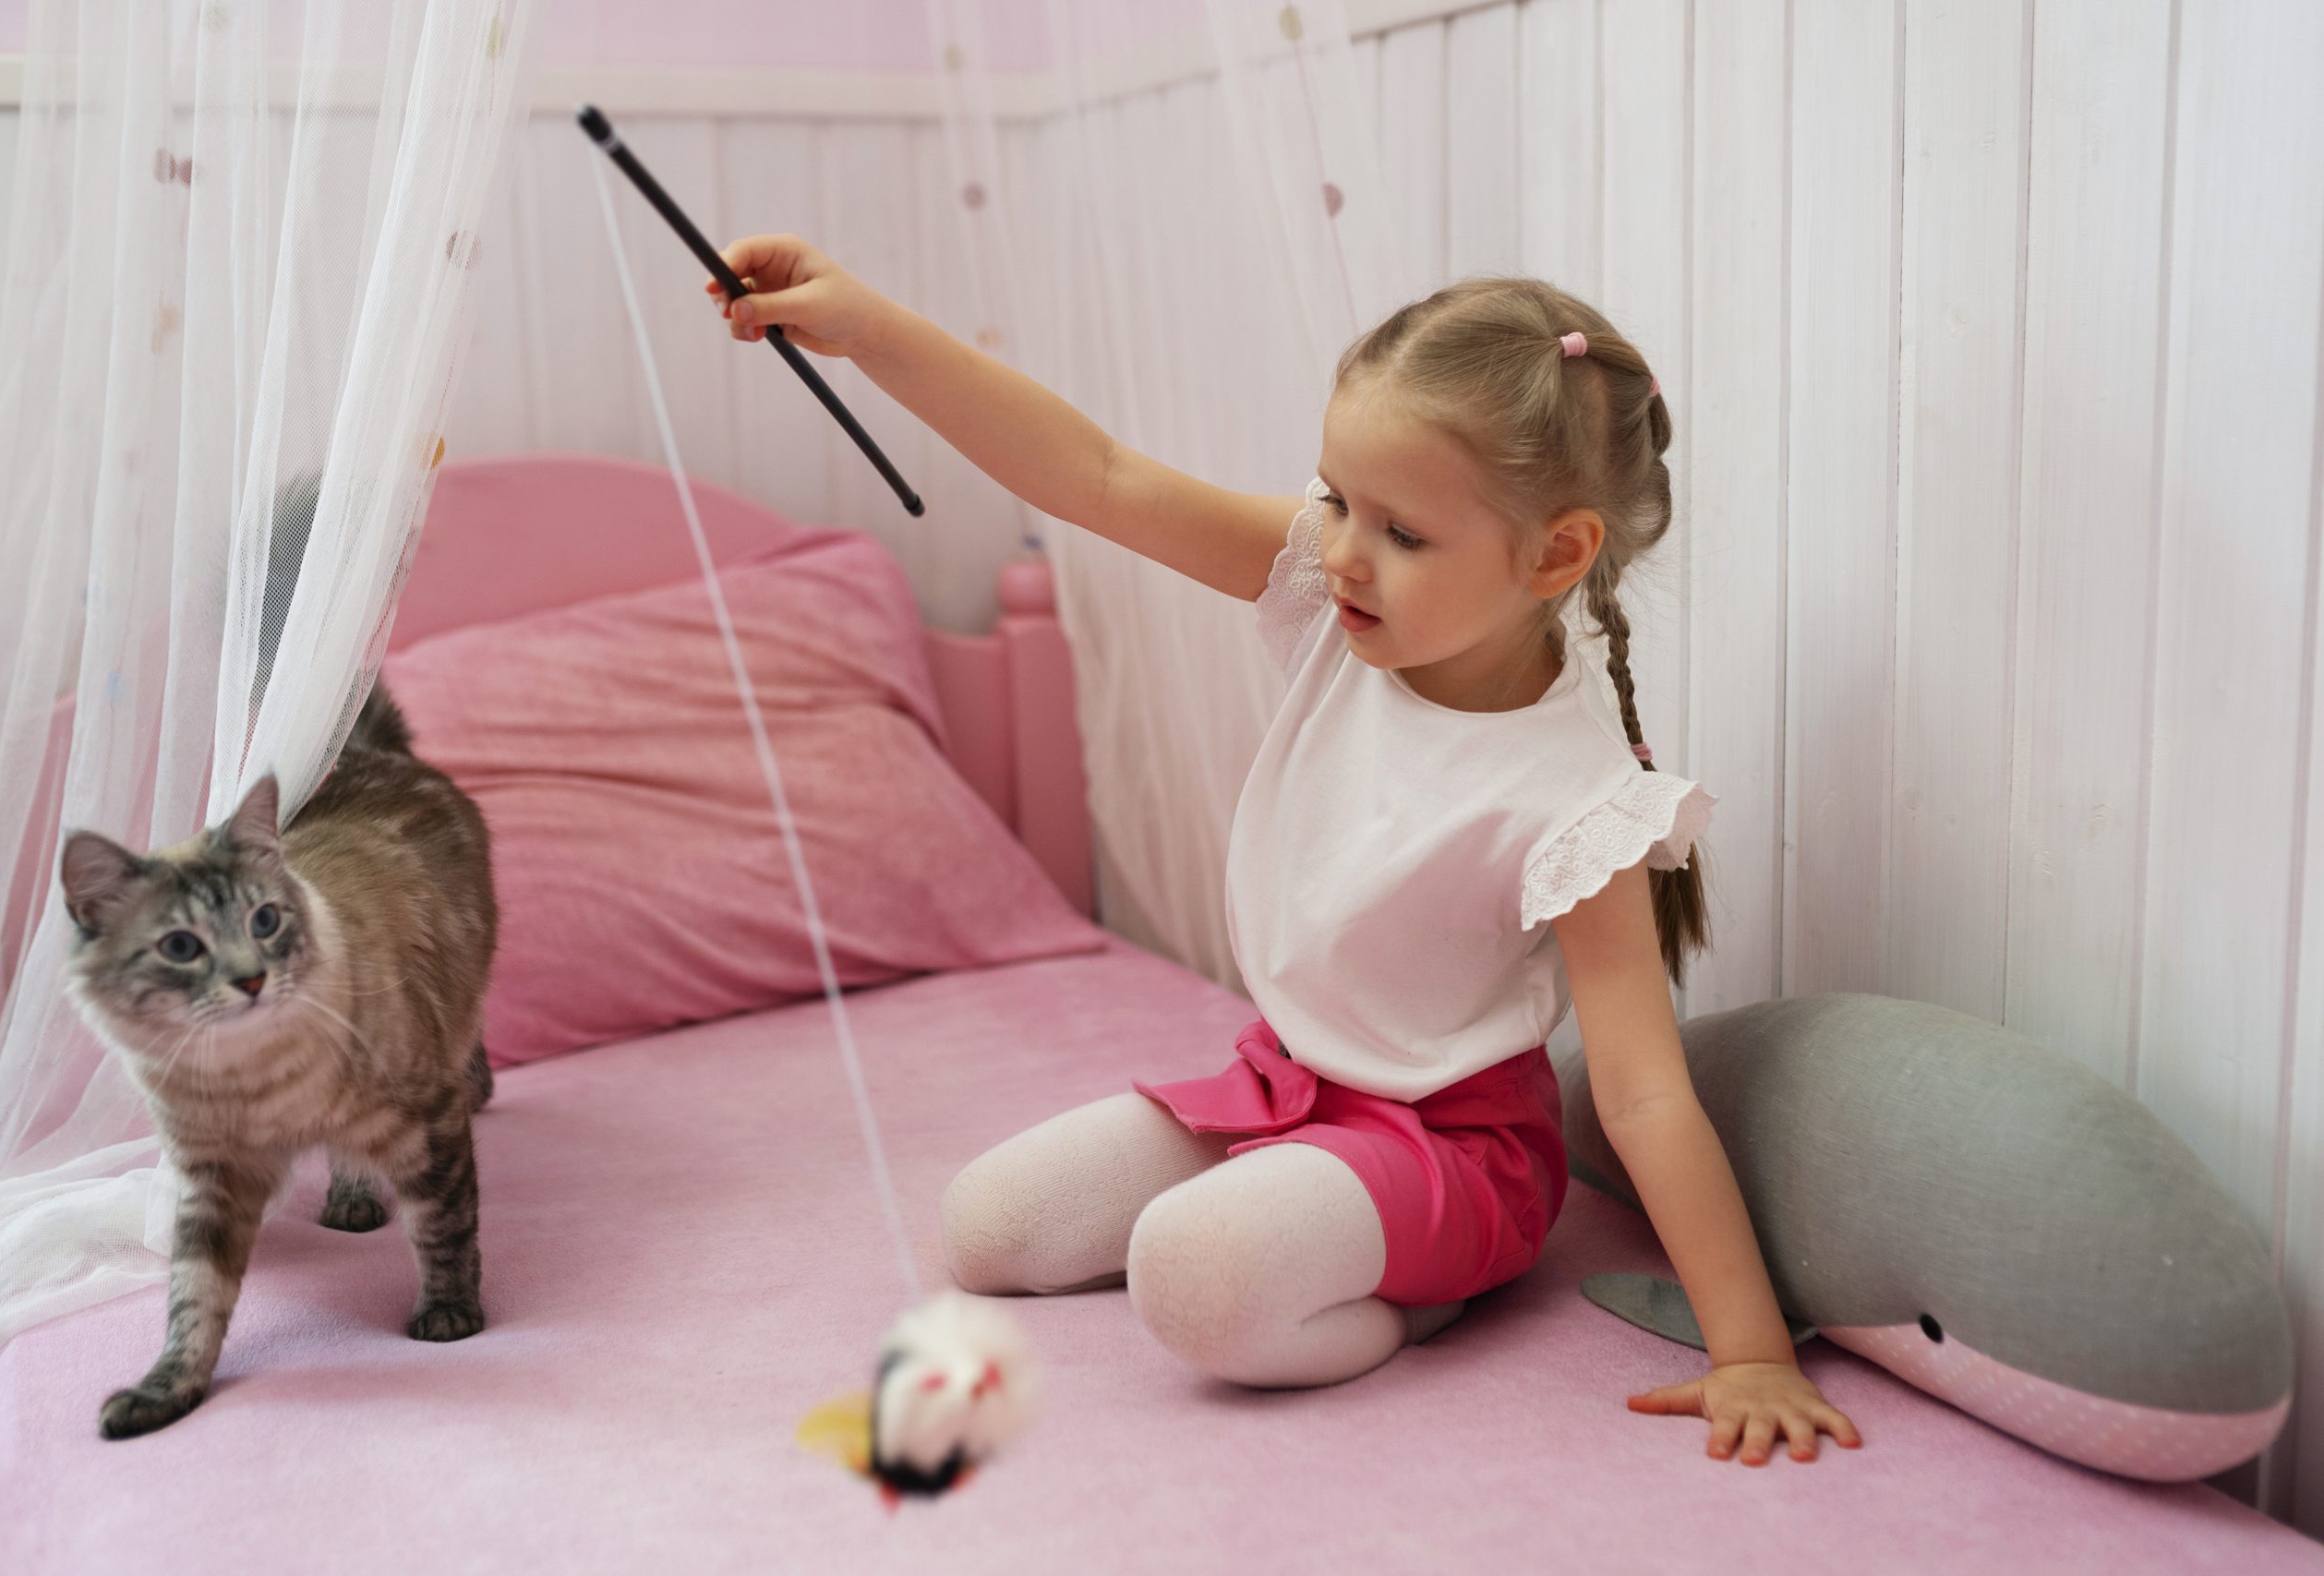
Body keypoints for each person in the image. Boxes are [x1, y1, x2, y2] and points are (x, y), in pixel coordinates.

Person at [706, 242, 1860, 1466]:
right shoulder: (1331, 595)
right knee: (987, 1229)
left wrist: (1751, 1354)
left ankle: (1418, 1297)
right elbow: (1097, 476)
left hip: (1453, 1156)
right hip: (1286, 1090)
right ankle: (1298, 1216)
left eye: (1401, 530)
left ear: (1556, 556)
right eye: (1337, 499)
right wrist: (868, 329)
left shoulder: (1582, 802)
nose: (1345, 549)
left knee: (1195, 1276)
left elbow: (1642, 1094)